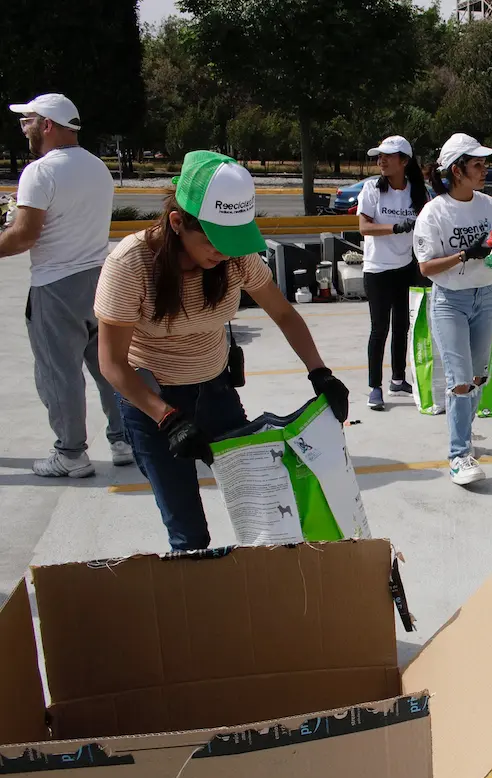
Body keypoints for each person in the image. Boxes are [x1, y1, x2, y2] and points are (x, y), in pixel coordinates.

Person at [96, 150, 350, 551]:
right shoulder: (132, 263)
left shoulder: (236, 259)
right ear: (178, 222)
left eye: (235, 240)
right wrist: (166, 419)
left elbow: (284, 314)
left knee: (268, 510)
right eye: (215, 240)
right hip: (153, 403)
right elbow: (111, 363)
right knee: (189, 534)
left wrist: (321, 372)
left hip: (215, 393)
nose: (226, 252)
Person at [1, 93, 130, 478]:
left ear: (48, 125)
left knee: (59, 374)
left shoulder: (40, 172)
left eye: (28, 120)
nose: (23, 126)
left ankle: (71, 453)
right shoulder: (97, 168)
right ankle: (123, 439)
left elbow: (24, 237)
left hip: (56, 285)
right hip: (101, 279)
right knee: (108, 366)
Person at [414, 133, 492, 486]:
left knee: (477, 377)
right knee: (459, 380)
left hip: (485, 298)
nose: (485, 170)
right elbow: (426, 267)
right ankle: (459, 455)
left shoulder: (490, 206)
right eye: (477, 164)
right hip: (450, 301)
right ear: (457, 171)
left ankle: (464, 435)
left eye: (484, 163)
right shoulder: (434, 213)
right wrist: (466, 254)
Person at [357, 135, 430, 410]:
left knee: (402, 326)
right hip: (377, 269)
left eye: (388, 156)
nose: (382, 160)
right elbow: (364, 228)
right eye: (379, 156)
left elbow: (427, 225)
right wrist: (395, 228)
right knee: (380, 329)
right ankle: (374, 387)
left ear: (404, 161)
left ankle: (398, 380)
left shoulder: (417, 192)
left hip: (406, 267)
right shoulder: (372, 190)